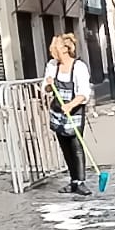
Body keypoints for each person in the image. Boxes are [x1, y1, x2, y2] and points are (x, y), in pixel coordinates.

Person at [43, 34, 93, 195]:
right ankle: (72, 180)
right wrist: (49, 85)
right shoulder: (52, 65)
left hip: (74, 110)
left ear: (65, 49)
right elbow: (46, 88)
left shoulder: (79, 67)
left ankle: (80, 181)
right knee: (64, 146)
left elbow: (84, 92)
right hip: (58, 110)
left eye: (55, 49)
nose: (53, 53)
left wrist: (71, 104)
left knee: (76, 146)